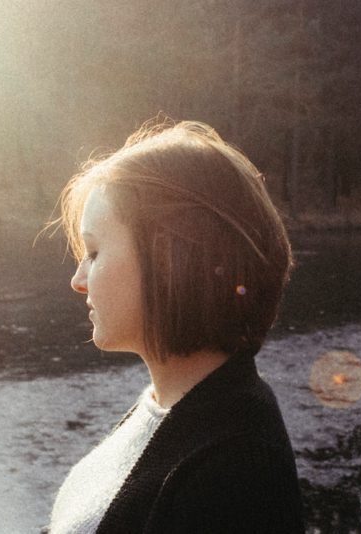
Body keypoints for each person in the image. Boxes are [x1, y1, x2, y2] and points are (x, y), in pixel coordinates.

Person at [47, 119, 304, 533]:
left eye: (94, 252)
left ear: (171, 261)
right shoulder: (169, 405)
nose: (78, 280)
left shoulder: (231, 473)